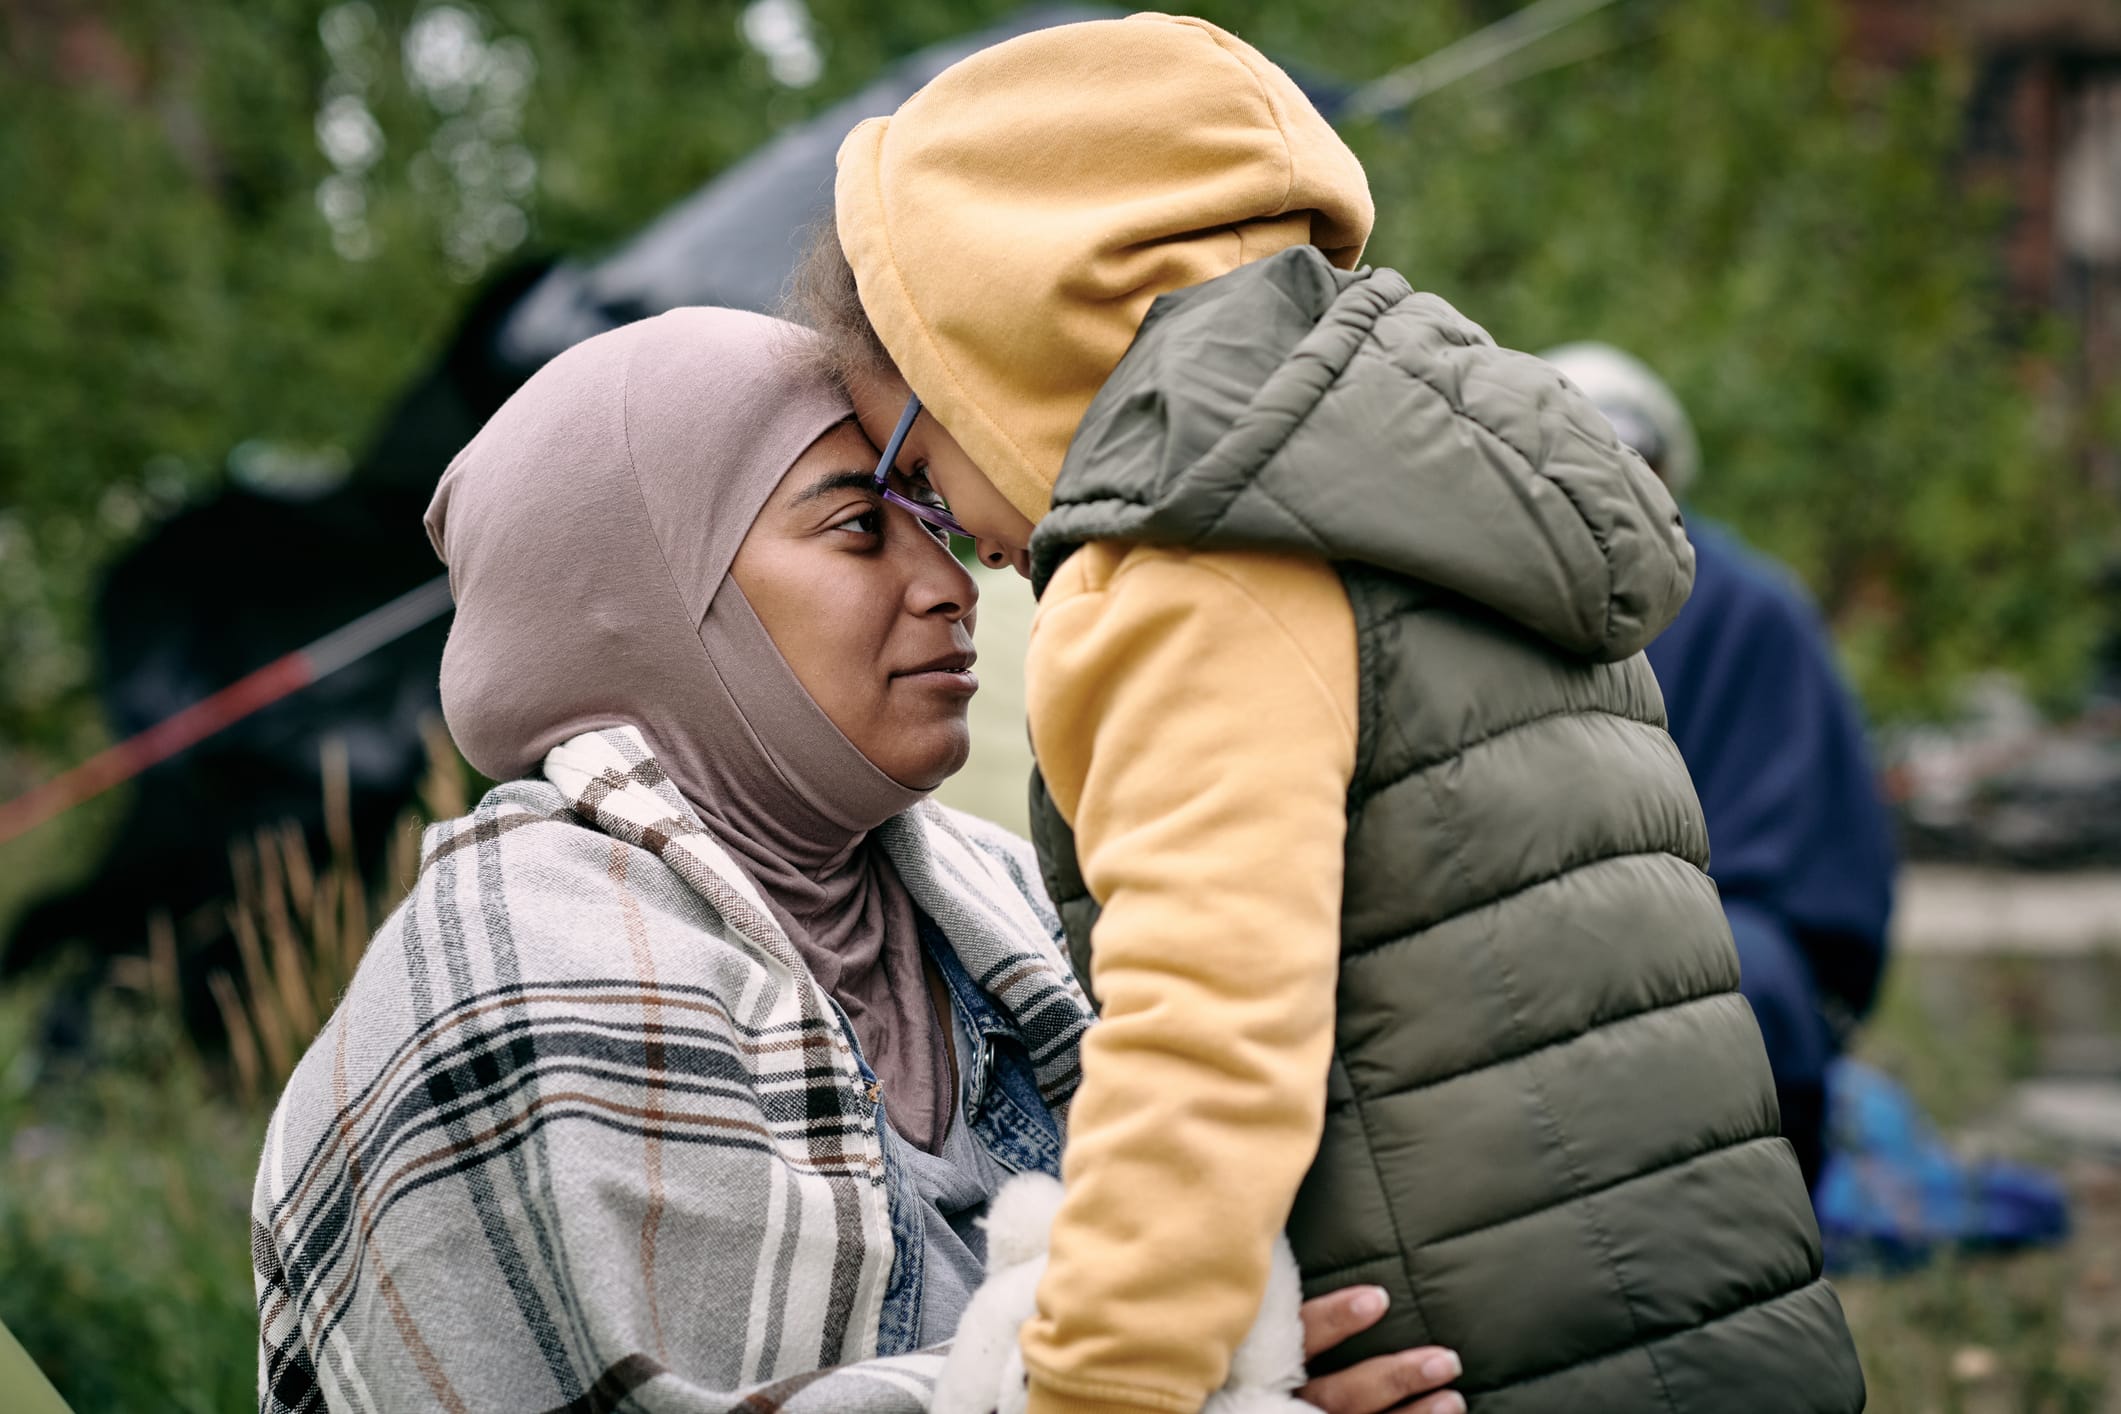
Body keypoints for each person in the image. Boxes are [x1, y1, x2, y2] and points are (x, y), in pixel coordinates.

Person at [803, 14, 1866, 1413]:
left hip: (1497, 1360)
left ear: (1007, 346)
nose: (952, 538)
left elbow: (1206, 1040)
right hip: (1701, 1311)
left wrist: (1094, 1386)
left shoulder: (1189, 557)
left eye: (916, 465)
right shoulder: (1425, 484)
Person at [250, 307, 1465, 1414]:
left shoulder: (1010, 897)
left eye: (937, 520)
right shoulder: (511, 981)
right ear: (652, 602)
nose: (951, 583)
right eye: (858, 529)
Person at [1540, 343, 1897, 1193]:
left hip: (1723, 929)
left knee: (1745, 987)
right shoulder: (1476, 601)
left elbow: (1832, 876)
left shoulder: (1752, 611)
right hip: (1527, 928)